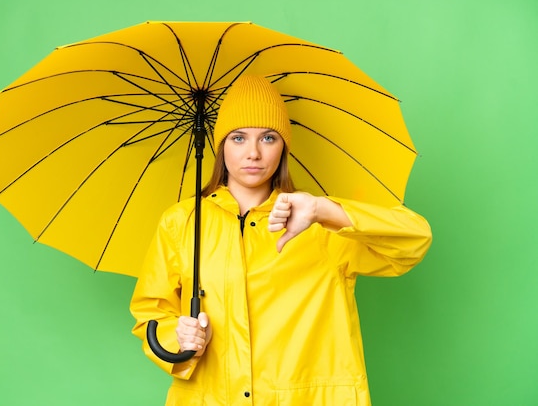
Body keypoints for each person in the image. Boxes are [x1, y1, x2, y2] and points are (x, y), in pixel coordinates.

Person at [130, 75, 432, 405]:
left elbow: (413, 239)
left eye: (269, 138)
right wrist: (178, 337)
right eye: (239, 137)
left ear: (283, 147)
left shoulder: (318, 223)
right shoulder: (182, 222)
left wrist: (322, 209)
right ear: (220, 145)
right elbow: (150, 313)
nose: (254, 153)